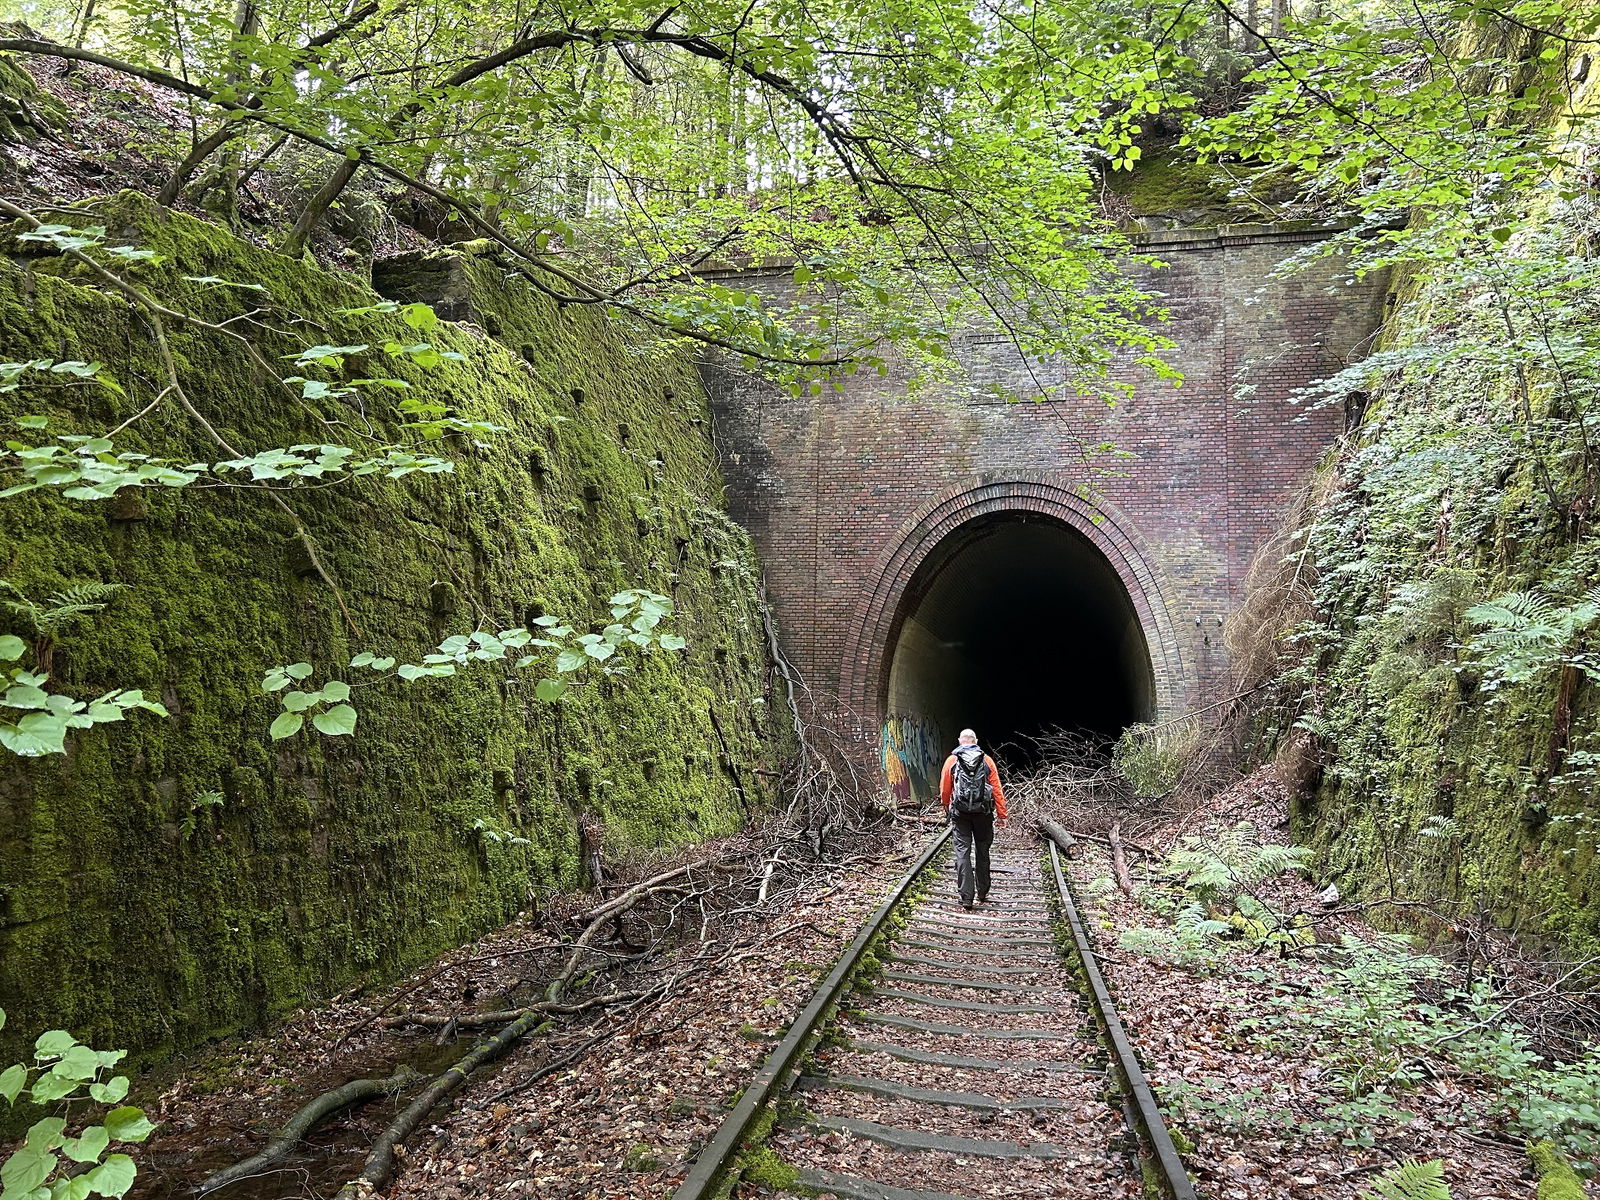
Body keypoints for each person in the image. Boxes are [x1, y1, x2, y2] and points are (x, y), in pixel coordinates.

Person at [938, 728, 1008, 909]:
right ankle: (983, 892)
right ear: (975, 741)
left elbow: (945, 788)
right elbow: (997, 789)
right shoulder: (987, 760)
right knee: (983, 851)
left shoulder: (952, 760)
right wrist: (1002, 814)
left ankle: (967, 897)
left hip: (960, 813)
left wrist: (946, 805)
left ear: (960, 740)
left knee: (962, 853)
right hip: (983, 814)